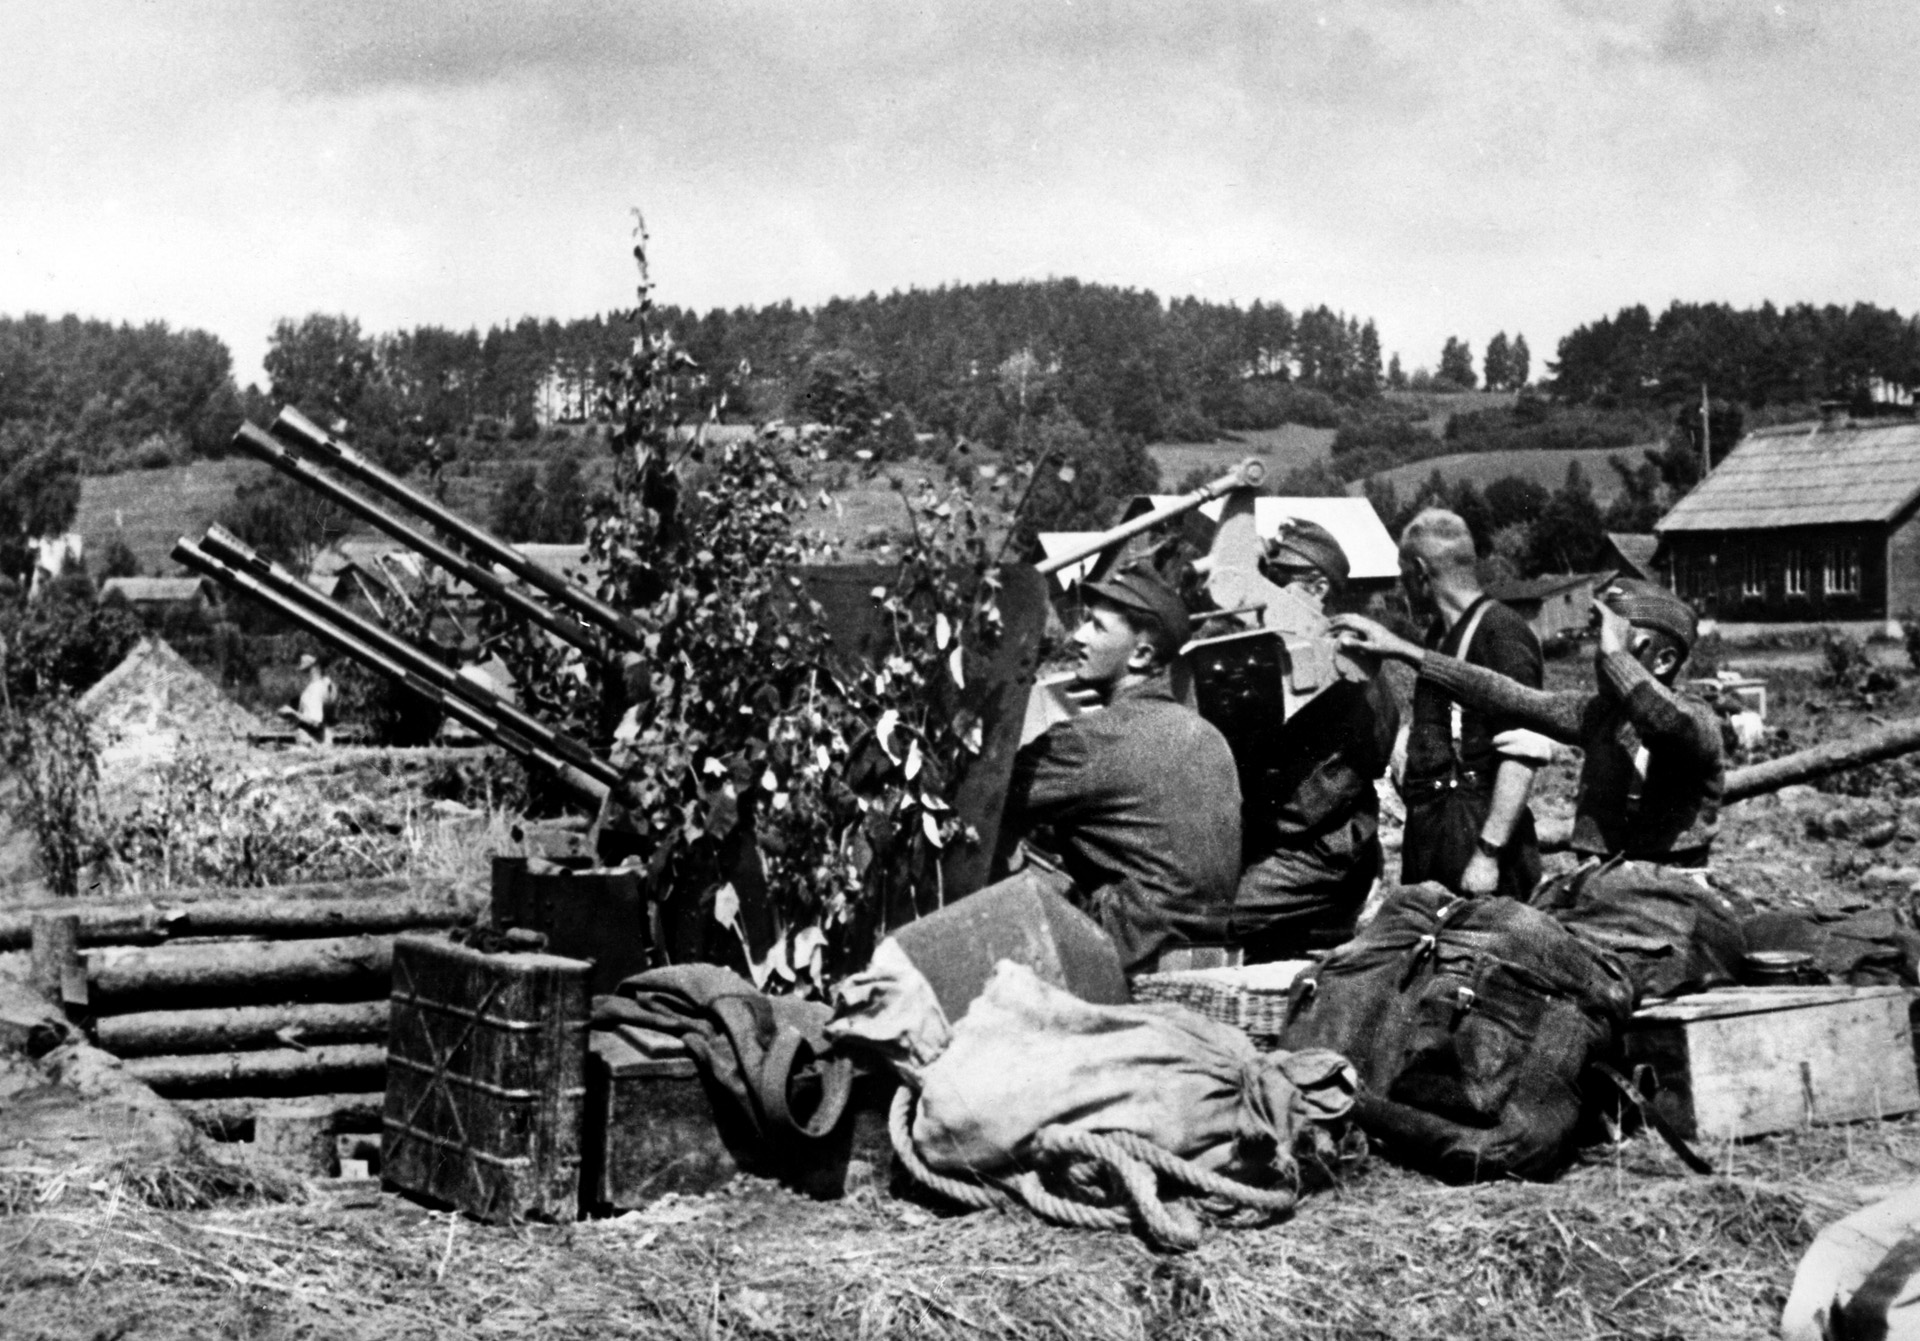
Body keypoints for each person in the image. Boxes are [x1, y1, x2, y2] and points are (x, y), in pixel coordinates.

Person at [1333, 578, 1724, 868]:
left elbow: (1664, 723)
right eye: (1600, 644)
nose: (1599, 657)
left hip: (1669, 892)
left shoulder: (1698, 720)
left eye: (1614, 643)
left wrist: (1614, 653)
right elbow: (1501, 692)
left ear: (1664, 660)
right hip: (1603, 886)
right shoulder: (1598, 717)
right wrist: (1402, 649)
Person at [1005, 564, 1242, 973]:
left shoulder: (1090, 739)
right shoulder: (1209, 735)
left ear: (1142, 654)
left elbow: (990, 802)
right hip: (1210, 950)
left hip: (1130, 949)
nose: (1078, 636)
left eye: (1097, 627)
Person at [1230, 519, 1399, 958]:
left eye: (1277, 582)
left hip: (1317, 857)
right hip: (1290, 845)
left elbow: (1307, 809)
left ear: (1318, 588)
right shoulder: (1288, 659)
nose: (1264, 594)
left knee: (1202, 920)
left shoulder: (1342, 671)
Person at [1388, 509, 1543, 900]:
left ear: (1420, 572)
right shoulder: (1438, 635)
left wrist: (1488, 853)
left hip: (1478, 839)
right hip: (1435, 830)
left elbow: (1523, 752)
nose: (1400, 586)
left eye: (1402, 574)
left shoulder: (1501, 633)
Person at [280, 652, 338, 745]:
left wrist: (291, 713)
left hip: (311, 742)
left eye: (304, 671)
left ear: (313, 670)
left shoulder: (314, 689)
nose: (299, 676)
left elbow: (314, 723)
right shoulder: (323, 685)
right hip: (318, 741)